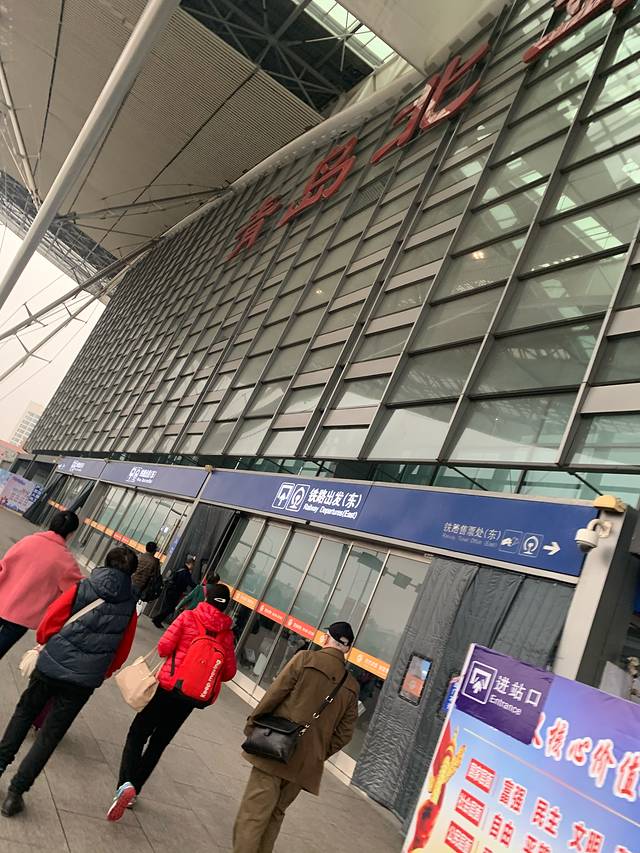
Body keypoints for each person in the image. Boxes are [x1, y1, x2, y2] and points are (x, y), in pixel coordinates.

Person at [0, 546, 139, 817]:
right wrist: (101, 671)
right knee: (50, 735)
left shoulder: (82, 588)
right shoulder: (129, 607)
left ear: (105, 563)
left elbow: (49, 622)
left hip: (50, 666)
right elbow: (122, 651)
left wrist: (46, 644)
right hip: (82, 682)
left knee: (23, 714)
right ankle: (15, 794)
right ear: (131, 574)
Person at [108, 582, 237, 821]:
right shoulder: (227, 634)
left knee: (138, 734)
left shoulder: (189, 617)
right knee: (158, 743)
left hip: (166, 688)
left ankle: (125, 784)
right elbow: (229, 673)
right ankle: (134, 789)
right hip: (189, 698)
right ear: (225, 606)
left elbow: (163, 648)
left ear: (206, 598)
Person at [232, 622, 359, 853]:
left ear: (325, 638)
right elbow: (344, 734)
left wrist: (253, 723)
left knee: (254, 813)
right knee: (276, 814)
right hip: (306, 763)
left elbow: (275, 694)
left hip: (276, 748)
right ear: (347, 649)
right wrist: (319, 751)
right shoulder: (351, 686)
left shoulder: (305, 659)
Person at [0, 510, 83, 658]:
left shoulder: (28, 541)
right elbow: (77, 589)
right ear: (71, 534)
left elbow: (4, 565)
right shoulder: (65, 561)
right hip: (22, 616)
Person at [152, 555, 196, 629]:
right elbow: (190, 583)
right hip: (175, 592)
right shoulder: (186, 572)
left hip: (170, 590)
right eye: (193, 565)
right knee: (170, 608)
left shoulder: (180, 568)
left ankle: (158, 620)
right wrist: (198, 587)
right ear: (190, 564)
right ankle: (156, 619)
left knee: (168, 607)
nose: (193, 567)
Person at [131, 541, 162, 615]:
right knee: (132, 604)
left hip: (130, 582)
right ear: (154, 550)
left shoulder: (139, 556)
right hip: (141, 586)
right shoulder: (155, 562)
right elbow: (156, 576)